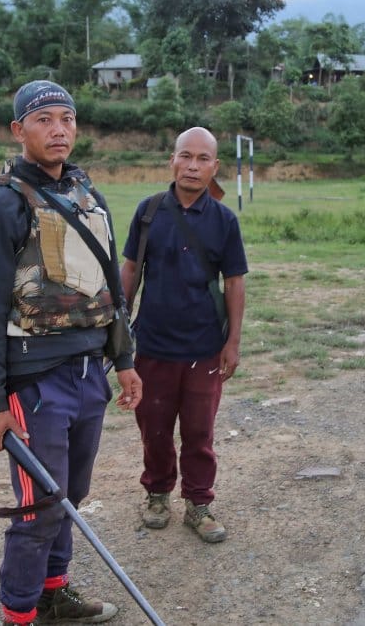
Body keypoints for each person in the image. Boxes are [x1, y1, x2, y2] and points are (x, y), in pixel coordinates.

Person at [0, 79, 142, 626]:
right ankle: (19, 613)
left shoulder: (88, 195)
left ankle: (53, 593)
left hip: (91, 373)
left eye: (67, 118)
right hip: (34, 382)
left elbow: (112, 289)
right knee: (41, 505)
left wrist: (126, 361)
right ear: (19, 130)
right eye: (43, 119)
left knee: (72, 494)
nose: (58, 129)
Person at [119, 127, 248, 544]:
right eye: (185, 157)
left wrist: (232, 342)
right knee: (153, 427)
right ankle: (157, 495)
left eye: (203, 159)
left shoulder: (225, 220)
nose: (193, 166)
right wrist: (118, 329)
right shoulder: (149, 211)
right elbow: (131, 271)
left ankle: (199, 503)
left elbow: (234, 283)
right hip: (153, 344)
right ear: (172, 160)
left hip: (204, 347)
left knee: (199, 432)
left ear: (215, 167)